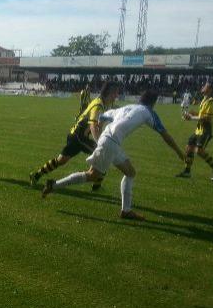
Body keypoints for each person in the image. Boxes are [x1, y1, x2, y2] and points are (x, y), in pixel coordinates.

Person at [42, 90, 184, 221]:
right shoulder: (148, 112)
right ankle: (54, 186)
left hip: (110, 141)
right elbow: (165, 136)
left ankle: (126, 211)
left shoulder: (128, 107)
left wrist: (100, 125)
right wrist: (179, 152)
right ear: (153, 103)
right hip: (110, 143)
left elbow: (104, 115)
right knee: (92, 175)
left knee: (130, 173)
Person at [30, 81, 119, 191]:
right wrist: (99, 143)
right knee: (104, 154)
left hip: (75, 135)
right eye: (115, 93)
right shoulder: (98, 105)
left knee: (61, 160)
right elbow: (92, 125)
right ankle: (96, 186)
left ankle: (36, 175)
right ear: (110, 93)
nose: (116, 95)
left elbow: (98, 123)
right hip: (79, 137)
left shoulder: (100, 102)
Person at [176, 83, 213, 180]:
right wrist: (193, 113)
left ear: (210, 89)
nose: (202, 87)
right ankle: (187, 172)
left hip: (207, 130)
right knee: (189, 148)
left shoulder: (211, 102)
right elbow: (201, 115)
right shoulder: (204, 100)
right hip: (199, 129)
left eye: (205, 86)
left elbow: (207, 118)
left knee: (199, 151)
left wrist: (191, 117)